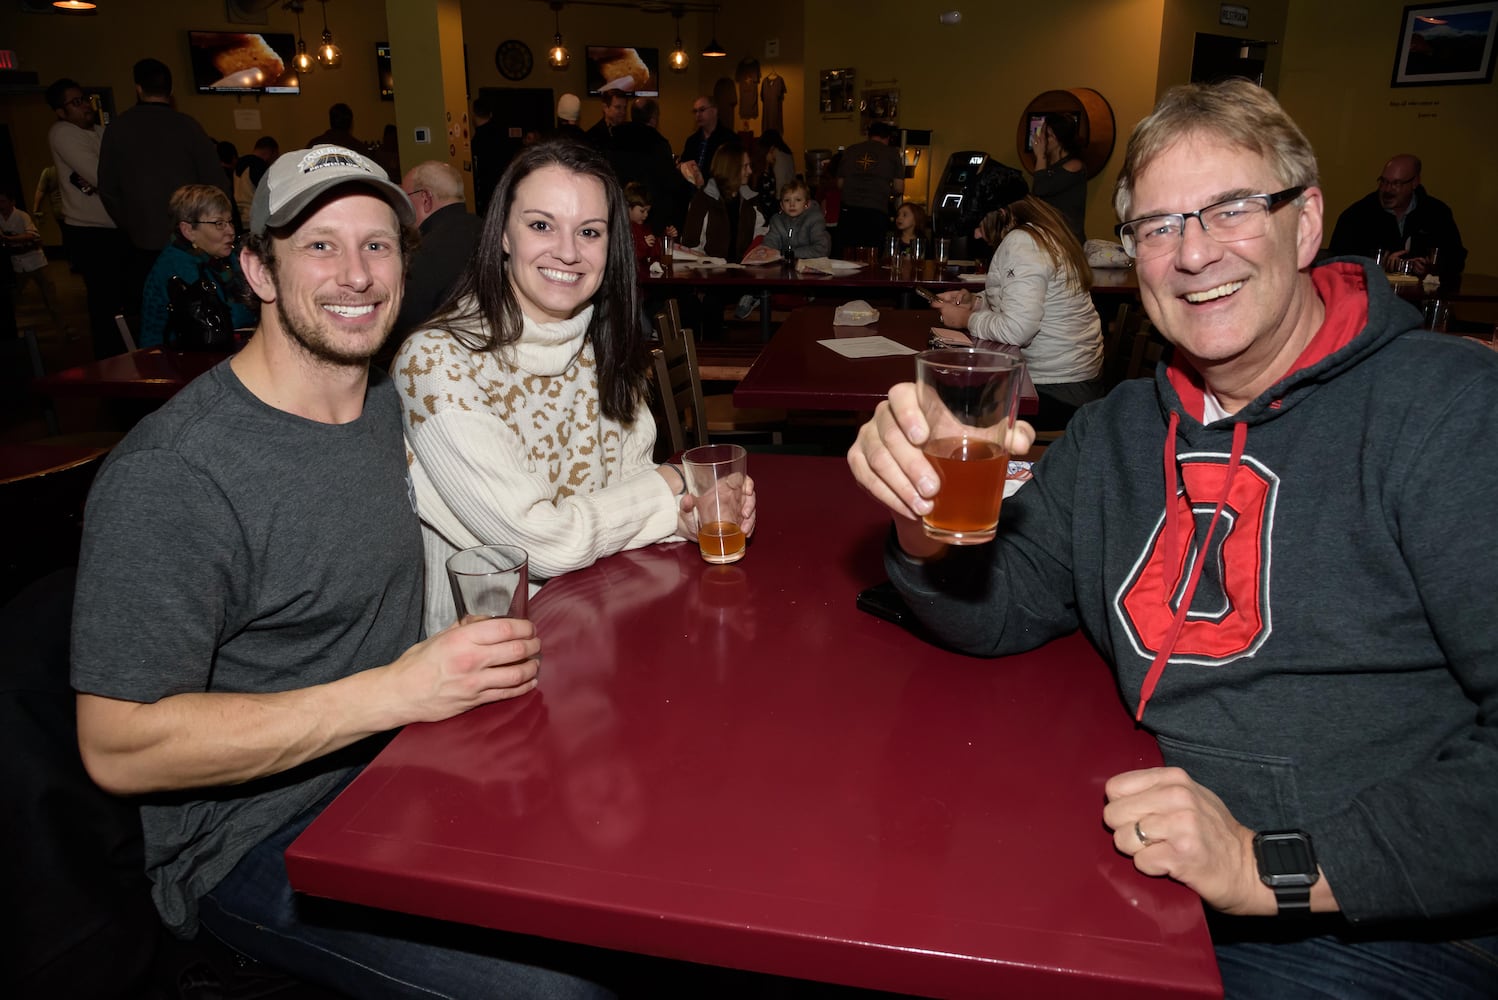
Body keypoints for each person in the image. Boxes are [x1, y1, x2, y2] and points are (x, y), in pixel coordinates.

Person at [847, 79, 1498, 999]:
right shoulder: (1122, 427)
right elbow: (1009, 605)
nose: (1193, 253)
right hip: (1143, 879)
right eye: (1158, 226)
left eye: (1231, 208)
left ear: (1306, 223)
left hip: (1379, 923)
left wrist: (1272, 866)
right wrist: (921, 525)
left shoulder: (1450, 413)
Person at [71, 142, 616, 999]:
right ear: (255, 268)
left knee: (620, 892)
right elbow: (116, 749)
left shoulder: (394, 407)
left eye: (378, 245)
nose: (355, 274)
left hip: (412, 761)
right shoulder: (176, 473)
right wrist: (396, 694)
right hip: (254, 839)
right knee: (558, 989)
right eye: (319, 245)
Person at [392, 139, 756, 636]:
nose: (567, 251)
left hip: (605, 630)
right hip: (489, 658)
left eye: (589, 232)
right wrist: (674, 485)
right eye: (541, 225)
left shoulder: (602, 345)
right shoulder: (435, 362)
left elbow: (629, 494)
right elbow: (540, 544)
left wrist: (686, 518)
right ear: (502, 234)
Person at [931, 197, 1103, 429]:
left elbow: (1018, 330)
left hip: (1059, 392)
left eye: (980, 224)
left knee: (946, 404)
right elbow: (1026, 303)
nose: (977, 235)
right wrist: (976, 303)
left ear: (1002, 213)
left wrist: (965, 318)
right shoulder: (1041, 235)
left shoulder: (1023, 241)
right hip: (1079, 383)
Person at [98, 58, 229, 309]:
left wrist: (131, 223)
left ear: (138, 88)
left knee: (156, 306)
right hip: (192, 240)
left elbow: (108, 188)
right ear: (171, 91)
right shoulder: (188, 127)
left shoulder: (118, 128)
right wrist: (214, 227)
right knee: (199, 307)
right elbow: (216, 184)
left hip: (143, 239)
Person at [45, 77, 129, 358]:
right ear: (61, 111)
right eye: (76, 102)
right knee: (104, 303)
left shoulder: (99, 131)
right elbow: (102, 175)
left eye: (84, 99)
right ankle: (110, 362)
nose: (85, 106)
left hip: (113, 226)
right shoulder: (63, 133)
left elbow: (122, 166)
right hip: (89, 231)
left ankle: (127, 354)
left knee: (122, 298)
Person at [138, 184, 256, 348]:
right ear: (188, 230)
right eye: (219, 223)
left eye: (230, 222)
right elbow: (225, 322)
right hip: (172, 360)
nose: (231, 231)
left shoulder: (222, 258)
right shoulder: (177, 266)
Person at [1326, 153, 1466, 277]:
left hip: (1421, 302)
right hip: (1372, 300)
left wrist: (1430, 267)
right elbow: (1336, 261)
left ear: (1415, 182)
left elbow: (1456, 261)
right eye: (1384, 182)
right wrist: (1379, 263)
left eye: (1396, 183)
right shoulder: (1357, 215)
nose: (1387, 190)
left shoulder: (1437, 214)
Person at [393, 159, 482, 336]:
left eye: (405, 199)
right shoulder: (489, 231)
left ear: (425, 199)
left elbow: (403, 324)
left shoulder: (424, 250)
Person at [0, 191, 70, 339]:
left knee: (50, 298)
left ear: (12, 202)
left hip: (36, 262)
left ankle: (64, 330)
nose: (1, 205)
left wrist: (9, 239)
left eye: (3, 201)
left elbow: (32, 235)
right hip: (18, 264)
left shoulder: (21, 216)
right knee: (14, 299)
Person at [683, 142, 763, 260]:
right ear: (731, 168)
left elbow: (760, 234)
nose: (750, 171)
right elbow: (691, 245)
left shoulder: (750, 200)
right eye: (745, 166)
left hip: (744, 273)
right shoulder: (704, 200)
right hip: (710, 274)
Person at [835, 121, 904, 255]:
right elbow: (899, 187)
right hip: (876, 210)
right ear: (888, 138)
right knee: (871, 255)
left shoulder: (851, 150)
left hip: (848, 211)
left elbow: (840, 184)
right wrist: (889, 193)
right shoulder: (892, 153)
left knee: (848, 254)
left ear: (869, 135)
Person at [1029, 112, 1087, 243]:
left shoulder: (1074, 165)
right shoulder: (1049, 166)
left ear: (1059, 139)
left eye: (1046, 136)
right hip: (1049, 237)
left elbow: (1040, 189)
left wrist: (1040, 156)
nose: (1041, 139)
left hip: (1067, 241)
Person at [763, 179, 830, 260]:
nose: (792, 204)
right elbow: (770, 242)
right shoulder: (777, 220)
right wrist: (766, 251)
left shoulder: (815, 219)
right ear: (782, 205)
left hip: (810, 266)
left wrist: (788, 254)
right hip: (785, 266)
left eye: (798, 200)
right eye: (787, 200)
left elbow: (822, 249)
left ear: (807, 204)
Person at [232, 135, 279, 233]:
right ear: (271, 152)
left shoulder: (238, 165)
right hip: (253, 218)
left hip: (238, 217)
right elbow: (268, 195)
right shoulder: (258, 166)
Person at [680, 94, 735, 179]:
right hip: (693, 189)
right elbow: (684, 165)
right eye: (695, 111)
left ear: (714, 111)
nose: (698, 115)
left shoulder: (729, 139)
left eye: (702, 110)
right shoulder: (692, 140)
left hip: (717, 189)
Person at [625, 181, 657, 260]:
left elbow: (654, 253)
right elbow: (627, 257)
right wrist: (644, 245)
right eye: (642, 211)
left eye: (648, 211)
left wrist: (666, 238)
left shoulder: (645, 228)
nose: (646, 215)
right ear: (627, 207)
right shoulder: (622, 229)